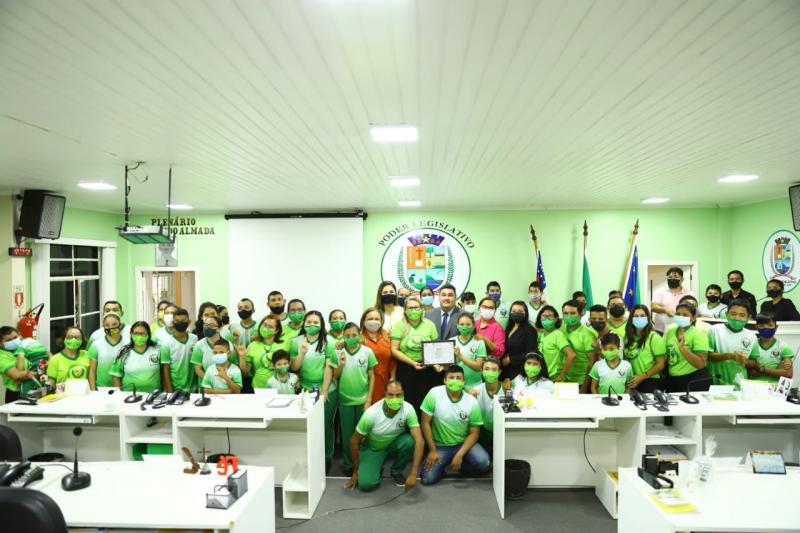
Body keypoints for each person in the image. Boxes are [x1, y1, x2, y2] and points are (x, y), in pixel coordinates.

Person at [344, 380, 424, 492]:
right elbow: (354, 441)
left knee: (410, 442)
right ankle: (376, 465)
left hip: (393, 444)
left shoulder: (408, 409)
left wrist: (414, 473)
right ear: (384, 395)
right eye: (390, 395)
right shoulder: (371, 414)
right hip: (373, 448)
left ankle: (396, 471)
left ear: (403, 394)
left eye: (398, 395)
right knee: (366, 485)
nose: (394, 398)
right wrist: (355, 472)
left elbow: (419, 440)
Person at [420, 365, 490, 485]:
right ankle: (442, 465)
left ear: (464, 381)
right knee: (427, 479)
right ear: (445, 380)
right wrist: (432, 450)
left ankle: (460, 465)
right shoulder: (434, 393)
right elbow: (425, 423)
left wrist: (460, 454)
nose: (455, 380)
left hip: (463, 444)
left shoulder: (472, 402)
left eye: (458, 378)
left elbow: (474, 433)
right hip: (440, 446)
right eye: (451, 377)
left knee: (484, 463)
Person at [289, 311, 338, 469]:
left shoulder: (328, 341)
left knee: (326, 425)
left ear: (322, 324)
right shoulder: (296, 341)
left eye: (316, 322)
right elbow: (294, 367)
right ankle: (310, 457)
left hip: (326, 389)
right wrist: (301, 354)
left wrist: (324, 391)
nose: (312, 325)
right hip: (304, 390)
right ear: (303, 323)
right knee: (307, 425)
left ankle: (326, 458)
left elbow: (328, 367)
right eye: (309, 322)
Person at [334, 322, 378, 475]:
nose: (351, 338)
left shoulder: (367, 352)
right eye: (347, 336)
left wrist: (368, 400)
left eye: (354, 335)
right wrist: (341, 363)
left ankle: (363, 463)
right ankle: (349, 465)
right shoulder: (338, 352)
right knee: (347, 436)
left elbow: (372, 377)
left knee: (363, 435)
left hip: (362, 401)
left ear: (360, 335)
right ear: (343, 337)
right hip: (345, 401)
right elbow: (335, 376)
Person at [390, 297, 439, 410]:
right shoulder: (399, 325)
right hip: (406, 369)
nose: (413, 310)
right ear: (405, 310)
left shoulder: (430, 325)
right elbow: (394, 350)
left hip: (427, 369)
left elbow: (435, 348)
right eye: (410, 308)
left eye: (416, 307)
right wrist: (412, 363)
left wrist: (435, 364)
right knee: (407, 403)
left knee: (425, 402)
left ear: (422, 309)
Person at [708, 299, 759, 388]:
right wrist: (729, 356)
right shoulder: (715, 330)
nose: (737, 318)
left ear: (748, 318)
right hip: (716, 382)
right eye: (733, 314)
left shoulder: (751, 335)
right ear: (727, 314)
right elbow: (707, 356)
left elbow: (755, 362)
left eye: (742, 315)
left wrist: (745, 360)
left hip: (739, 384)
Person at [664, 302, 711, 393]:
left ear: (693, 318)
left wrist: (682, 348)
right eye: (678, 314)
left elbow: (700, 363)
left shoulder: (698, 334)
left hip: (693, 380)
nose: (681, 317)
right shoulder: (671, 331)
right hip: (673, 380)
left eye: (685, 315)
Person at [110, 322, 167, 392]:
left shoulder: (158, 350)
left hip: (153, 395)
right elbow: (116, 377)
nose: (139, 336)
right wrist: (119, 395)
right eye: (136, 333)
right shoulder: (123, 352)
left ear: (148, 335)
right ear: (131, 334)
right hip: (129, 395)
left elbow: (165, 373)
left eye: (142, 333)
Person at [623, 305, 666, 393]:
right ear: (631, 319)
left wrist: (642, 376)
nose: (639, 318)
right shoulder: (627, 338)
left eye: (643, 316)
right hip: (631, 381)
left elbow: (661, 364)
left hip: (649, 379)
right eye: (636, 316)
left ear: (648, 318)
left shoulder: (654, 338)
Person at [242, 314, 289, 389]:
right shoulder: (252, 345)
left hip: (280, 388)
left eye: (270, 327)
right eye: (264, 325)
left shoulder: (285, 344)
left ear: (276, 330)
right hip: (258, 388)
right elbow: (245, 372)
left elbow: (290, 366)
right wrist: (241, 357)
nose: (265, 328)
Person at [158, 307, 198, 393]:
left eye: (183, 320)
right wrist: (169, 391)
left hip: (193, 389)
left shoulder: (195, 339)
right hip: (175, 389)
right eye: (177, 320)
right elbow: (165, 368)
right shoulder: (166, 343)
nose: (180, 323)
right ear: (173, 322)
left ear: (189, 322)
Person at [561, 300, 597, 392]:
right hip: (564, 380)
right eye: (565, 313)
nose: (568, 316)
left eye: (573, 313)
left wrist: (585, 387)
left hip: (581, 382)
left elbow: (592, 362)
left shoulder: (588, 334)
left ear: (581, 314)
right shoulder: (561, 330)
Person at [360, 308, 394, 403]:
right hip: (366, 382)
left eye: (377, 319)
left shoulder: (388, 336)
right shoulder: (358, 338)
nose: (373, 321)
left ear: (382, 321)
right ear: (363, 321)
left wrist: (393, 377)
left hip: (386, 382)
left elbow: (393, 360)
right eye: (370, 319)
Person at [469, 358, 503, 451]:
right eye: (487, 369)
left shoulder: (507, 389)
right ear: (481, 371)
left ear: (499, 372)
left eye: (494, 369)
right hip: (484, 433)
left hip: (503, 432)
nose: (490, 372)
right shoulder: (475, 391)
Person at [750, 314, 794, 383]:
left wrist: (762, 369)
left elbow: (788, 374)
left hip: (774, 390)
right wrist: (777, 371)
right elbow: (751, 372)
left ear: (776, 327)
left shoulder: (784, 347)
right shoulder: (751, 345)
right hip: (753, 386)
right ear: (756, 327)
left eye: (770, 325)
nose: (766, 328)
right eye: (762, 325)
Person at [536, 306, 575, 382]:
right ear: (540, 318)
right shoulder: (541, 335)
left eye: (550, 316)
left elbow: (571, 355)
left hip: (554, 378)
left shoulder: (558, 335)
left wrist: (561, 376)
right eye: (544, 316)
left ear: (556, 319)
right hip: (542, 378)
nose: (547, 319)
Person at [501, 301, 538, 381]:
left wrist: (510, 359)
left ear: (525, 313)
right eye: (514, 311)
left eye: (520, 311)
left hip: (520, 370)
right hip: (506, 370)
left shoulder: (529, 330)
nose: (516, 313)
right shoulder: (509, 327)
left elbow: (531, 352)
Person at [88, 312, 126, 389]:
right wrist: (93, 390)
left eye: (114, 324)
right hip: (102, 389)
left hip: (124, 388)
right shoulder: (96, 344)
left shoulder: (128, 343)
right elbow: (92, 371)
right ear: (103, 326)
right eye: (107, 325)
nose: (111, 328)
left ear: (120, 324)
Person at [190, 316, 234, 380]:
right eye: (205, 325)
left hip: (226, 384)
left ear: (219, 328)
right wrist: (211, 383)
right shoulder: (199, 345)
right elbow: (198, 370)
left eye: (211, 325)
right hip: (207, 385)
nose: (207, 327)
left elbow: (234, 366)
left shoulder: (228, 344)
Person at [451, 312, 487, 390]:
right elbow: (448, 366)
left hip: (475, 385)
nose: (464, 327)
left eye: (468, 324)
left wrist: (460, 356)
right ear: (457, 325)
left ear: (474, 326)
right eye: (462, 324)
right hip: (456, 384)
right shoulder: (451, 342)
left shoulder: (479, 343)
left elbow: (478, 367)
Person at [651, 267, 693, 333]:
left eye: (676, 277)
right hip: (660, 330)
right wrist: (665, 310)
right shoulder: (660, 291)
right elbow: (653, 307)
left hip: (682, 329)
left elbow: (693, 309)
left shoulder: (689, 293)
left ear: (682, 279)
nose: (673, 279)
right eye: (670, 277)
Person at [0, 326, 33, 403]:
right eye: (8, 340)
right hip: (16, 394)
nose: (14, 341)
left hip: (34, 390)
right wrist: (38, 373)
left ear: (19, 335)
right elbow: (17, 376)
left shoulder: (26, 345)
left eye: (15, 337)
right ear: (0, 343)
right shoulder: (2, 356)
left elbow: (46, 353)